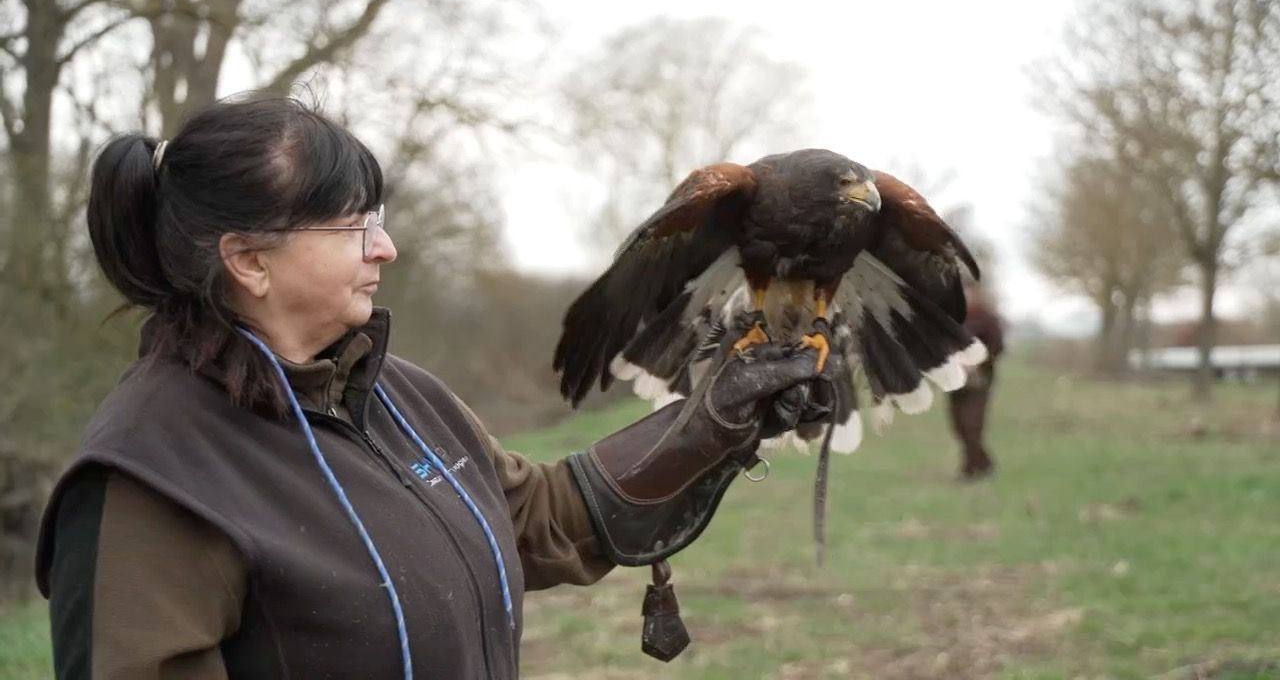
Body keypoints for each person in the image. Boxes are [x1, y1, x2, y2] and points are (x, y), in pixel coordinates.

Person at [34, 94, 828, 679]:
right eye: (354, 225)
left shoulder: (397, 398)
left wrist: (710, 423)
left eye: (378, 216)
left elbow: (541, 517)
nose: (388, 247)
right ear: (248, 260)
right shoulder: (149, 478)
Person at [947, 281, 1005, 479]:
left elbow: (997, 346)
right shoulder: (951, 318)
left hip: (980, 380)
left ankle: (971, 469)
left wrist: (977, 361)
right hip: (955, 380)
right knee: (958, 426)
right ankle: (983, 463)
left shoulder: (987, 318)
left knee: (972, 425)